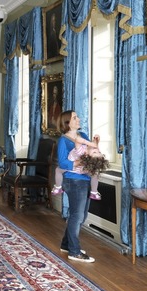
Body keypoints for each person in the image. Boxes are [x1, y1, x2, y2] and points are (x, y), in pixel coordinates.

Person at [57, 110, 96, 263]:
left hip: (85, 179)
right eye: (75, 117)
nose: (78, 119)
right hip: (73, 180)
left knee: (81, 215)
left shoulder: (84, 136)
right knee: (77, 216)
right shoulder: (64, 140)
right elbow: (63, 163)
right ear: (67, 122)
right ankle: (74, 251)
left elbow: (91, 151)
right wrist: (82, 161)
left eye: (77, 116)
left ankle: (66, 245)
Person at [51, 132, 108, 201]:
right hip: (84, 169)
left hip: (73, 168)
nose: (97, 150)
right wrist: (96, 141)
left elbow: (77, 139)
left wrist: (90, 143)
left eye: (95, 152)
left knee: (58, 170)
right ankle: (94, 192)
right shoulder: (90, 154)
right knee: (94, 174)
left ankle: (58, 187)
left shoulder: (81, 151)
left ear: (87, 156)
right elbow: (93, 147)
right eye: (98, 152)